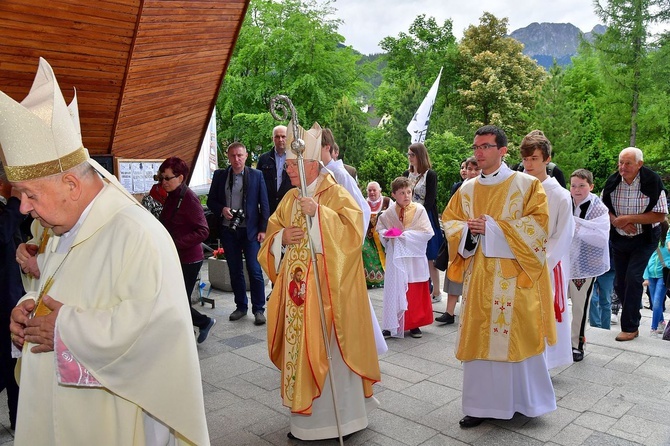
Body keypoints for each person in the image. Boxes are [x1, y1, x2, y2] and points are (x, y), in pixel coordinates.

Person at [1, 57, 208, 445]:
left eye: (30, 195)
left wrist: (64, 328)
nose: (24, 208)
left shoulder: (137, 234)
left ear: (71, 185)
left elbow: (159, 336)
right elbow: (65, 291)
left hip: (111, 422)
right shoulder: (64, 226)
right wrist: (30, 308)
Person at [258, 120, 380, 441]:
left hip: (329, 297)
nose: (286, 170)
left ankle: (344, 421)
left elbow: (355, 235)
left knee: (332, 358)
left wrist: (319, 216)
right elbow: (270, 237)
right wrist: (281, 237)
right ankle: (305, 424)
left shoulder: (335, 194)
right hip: (298, 295)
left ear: (310, 164)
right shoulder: (289, 199)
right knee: (299, 352)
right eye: (286, 165)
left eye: (292, 165)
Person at [442, 125, 557, 428]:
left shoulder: (527, 185)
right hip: (479, 280)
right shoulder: (466, 189)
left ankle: (524, 403)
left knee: (517, 339)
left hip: (514, 278)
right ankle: (478, 406)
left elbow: (539, 228)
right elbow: (450, 223)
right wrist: (468, 230)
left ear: (503, 151)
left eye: (485, 147)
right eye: (476, 146)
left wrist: (492, 228)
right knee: (479, 342)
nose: (478, 152)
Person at [518, 130, 575, 368]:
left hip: (546, 262)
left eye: (535, 159)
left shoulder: (560, 195)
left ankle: (546, 363)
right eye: (526, 158)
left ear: (547, 159)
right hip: (518, 258)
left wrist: (543, 262)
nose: (529, 164)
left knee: (545, 312)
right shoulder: (517, 188)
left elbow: (564, 234)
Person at [601, 147, 668, 341]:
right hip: (619, 238)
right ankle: (632, 310)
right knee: (619, 283)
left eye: (628, 163)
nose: (623, 167)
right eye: (621, 162)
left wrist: (630, 219)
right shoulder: (613, 182)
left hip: (645, 238)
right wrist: (616, 221)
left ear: (640, 164)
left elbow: (660, 214)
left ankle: (630, 326)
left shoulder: (653, 181)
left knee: (633, 276)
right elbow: (603, 207)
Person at [207, 142, 270, 325]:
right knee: (235, 271)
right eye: (233, 156)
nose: (237, 159)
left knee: (255, 271)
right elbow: (211, 201)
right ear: (228, 156)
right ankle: (241, 306)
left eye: (240, 155)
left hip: (250, 231)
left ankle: (258, 309)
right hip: (229, 230)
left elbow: (264, 204)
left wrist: (263, 229)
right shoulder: (220, 175)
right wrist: (222, 209)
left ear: (246, 155)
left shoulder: (257, 175)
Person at [158, 157, 216, 343]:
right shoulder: (173, 195)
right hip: (176, 257)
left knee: (178, 301)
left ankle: (204, 322)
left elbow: (203, 230)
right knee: (173, 299)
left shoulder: (189, 198)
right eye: (161, 178)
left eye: (167, 178)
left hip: (189, 259)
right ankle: (187, 331)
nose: (163, 182)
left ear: (181, 177)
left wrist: (176, 243)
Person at [377, 176, 434, 339]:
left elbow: (427, 233)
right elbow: (380, 229)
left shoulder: (419, 210)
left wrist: (405, 235)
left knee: (414, 289)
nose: (406, 195)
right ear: (394, 194)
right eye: (402, 193)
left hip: (414, 258)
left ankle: (414, 324)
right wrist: (387, 234)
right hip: (397, 258)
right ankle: (392, 323)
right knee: (395, 289)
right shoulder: (388, 213)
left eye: (409, 192)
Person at [567, 168, 610, 360]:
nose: (577, 190)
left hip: (584, 265)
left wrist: (577, 228)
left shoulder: (598, 207)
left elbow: (601, 237)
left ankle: (577, 344)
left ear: (591, 187)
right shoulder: (564, 202)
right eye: (574, 185)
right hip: (562, 261)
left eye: (582, 186)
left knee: (580, 306)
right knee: (554, 304)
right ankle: (555, 342)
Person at [436, 156, 480, 325]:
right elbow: (450, 213)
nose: (472, 172)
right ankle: (449, 311)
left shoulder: (486, 189)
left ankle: (470, 311)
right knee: (454, 273)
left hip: (476, 235)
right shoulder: (459, 187)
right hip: (459, 235)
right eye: (469, 169)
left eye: (476, 169)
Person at [403, 142, 444, 304]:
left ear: (419, 155)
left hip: (425, 217)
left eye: (412, 154)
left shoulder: (430, 175)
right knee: (412, 255)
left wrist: (417, 214)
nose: (410, 158)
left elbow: (431, 199)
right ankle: (418, 288)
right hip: (408, 218)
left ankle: (436, 291)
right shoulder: (407, 173)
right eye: (408, 155)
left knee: (430, 256)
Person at [0, 162, 24, 430]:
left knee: (14, 362)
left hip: (10, 295)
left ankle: (19, 420)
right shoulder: (9, 207)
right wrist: (14, 201)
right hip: (3, 299)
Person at [257, 125, 293, 214]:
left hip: (289, 205)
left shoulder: (294, 158)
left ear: (288, 138)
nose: (280, 139)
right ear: (273, 138)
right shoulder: (264, 159)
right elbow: (258, 184)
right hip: (268, 206)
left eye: (283, 136)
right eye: (277, 137)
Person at [643, 220, 669, 336]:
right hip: (651, 273)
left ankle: (653, 328)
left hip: (663, 274)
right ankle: (661, 321)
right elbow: (646, 258)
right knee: (654, 302)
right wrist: (646, 276)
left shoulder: (667, 240)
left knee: (657, 301)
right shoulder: (651, 240)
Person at [363, 181, 390, 287]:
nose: (372, 192)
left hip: (383, 235)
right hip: (368, 237)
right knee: (363, 250)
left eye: (374, 190)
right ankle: (369, 281)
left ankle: (383, 280)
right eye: (370, 190)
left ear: (380, 191)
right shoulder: (363, 203)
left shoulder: (387, 202)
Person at [590, 245, 615, 329]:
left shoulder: (612, 234)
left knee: (606, 300)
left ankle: (605, 327)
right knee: (591, 298)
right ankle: (595, 325)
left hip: (608, 271)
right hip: (590, 270)